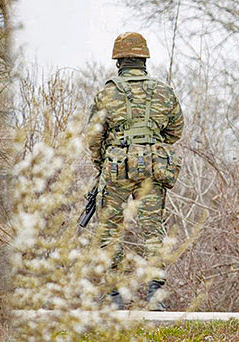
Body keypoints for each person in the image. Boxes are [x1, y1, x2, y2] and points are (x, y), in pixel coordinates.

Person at [87, 32, 184, 311]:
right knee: (153, 229)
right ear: (144, 59)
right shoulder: (164, 91)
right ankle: (155, 294)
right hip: (151, 169)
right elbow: (175, 131)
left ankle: (113, 295)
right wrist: (150, 144)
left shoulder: (107, 92)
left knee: (109, 229)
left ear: (119, 61)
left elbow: (94, 137)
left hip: (116, 168)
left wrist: (102, 164)